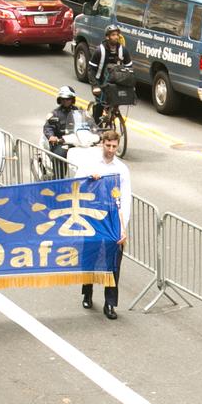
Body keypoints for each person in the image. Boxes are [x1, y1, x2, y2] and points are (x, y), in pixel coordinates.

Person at [77, 130, 130, 320]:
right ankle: (87, 291)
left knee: (113, 262)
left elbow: (125, 199)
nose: (111, 150)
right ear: (103, 144)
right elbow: (77, 186)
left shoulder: (122, 169)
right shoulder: (89, 164)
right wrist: (90, 179)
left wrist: (123, 227)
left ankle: (110, 303)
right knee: (89, 256)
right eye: (108, 146)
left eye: (114, 147)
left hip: (112, 217)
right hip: (91, 215)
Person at [90, 25, 132, 125]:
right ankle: (96, 126)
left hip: (115, 81)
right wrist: (95, 86)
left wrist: (131, 85)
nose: (116, 37)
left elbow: (130, 69)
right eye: (113, 35)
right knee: (100, 104)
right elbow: (91, 69)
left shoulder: (123, 51)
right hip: (100, 81)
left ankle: (111, 114)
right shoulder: (99, 51)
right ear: (107, 37)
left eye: (117, 35)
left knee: (118, 99)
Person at [43, 85, 94, 160]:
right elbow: (48, 127)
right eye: (63, 99)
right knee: (59, 155)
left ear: (72, 99)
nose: (65, 101)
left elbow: (89, 122)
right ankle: (59, 172)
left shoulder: (78, 111)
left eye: (68, 99)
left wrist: (96, 132)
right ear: (60, 100)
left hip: (79, 141)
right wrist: (51, 136)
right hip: (62, 142)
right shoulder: (55, 114)